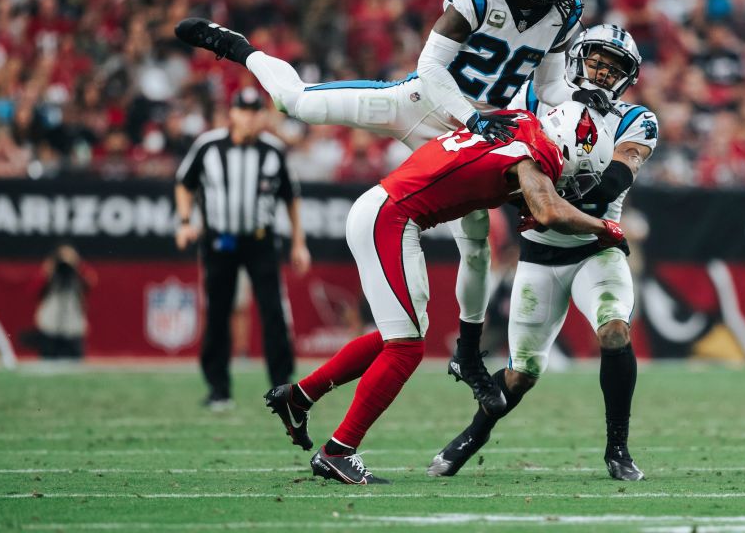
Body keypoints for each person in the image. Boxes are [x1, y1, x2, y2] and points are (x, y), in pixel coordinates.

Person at [175, 0, 616, 417]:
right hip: (424, 105)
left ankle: (469, 352)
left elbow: (547, 90)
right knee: (296, 103)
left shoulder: (562, 14)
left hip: (479, 137)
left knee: (477, 244)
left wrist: (575, 114)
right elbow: (431, 72)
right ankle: (239, 47)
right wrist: (474, 117)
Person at [262, 101, 619, 485]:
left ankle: (299, 397)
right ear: (565, 146)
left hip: (382, 208)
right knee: (406, 348)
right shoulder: (533, 156)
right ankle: (338, 450)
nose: (572, 180)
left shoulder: (519, 120)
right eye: (579, 169)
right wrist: (605, 228)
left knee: (393, 338)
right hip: (394, 218)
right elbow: (549, 212)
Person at [427, 24, 658, 481]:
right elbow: (503, 172)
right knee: (522, 373)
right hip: (539, 251)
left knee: (614, 331)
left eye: (613, 69)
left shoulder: (637, 119)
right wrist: (528, 185)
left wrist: (551, 183)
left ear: (626, 78)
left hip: (597, 247)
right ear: (576, 58)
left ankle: (618, 449)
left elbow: (615, 179)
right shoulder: (531, 101)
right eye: (595, 60)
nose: (602, 71)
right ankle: (473, 434)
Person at [175, 87, 311, 411]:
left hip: (260, 240)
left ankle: (283, 390)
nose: (250, 118)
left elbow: (291, 197)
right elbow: (185, 182)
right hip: (218, 241)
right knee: (218, 313)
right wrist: (184, 221)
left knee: (273, 313)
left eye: (255, 111)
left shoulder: (274, 151)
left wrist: (298, 242)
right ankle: (218, 389)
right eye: (244, 111)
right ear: (232, 114)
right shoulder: (208, 146)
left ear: (262, 116)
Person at [24, 244, 97, 360]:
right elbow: (32, 292)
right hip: (50, 327)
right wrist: (47, 271)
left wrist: (78, 266)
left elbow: (92, 283)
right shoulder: (50, 272)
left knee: (76, 367)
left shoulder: (79, 272)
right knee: (47, 365)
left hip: (73, 327)